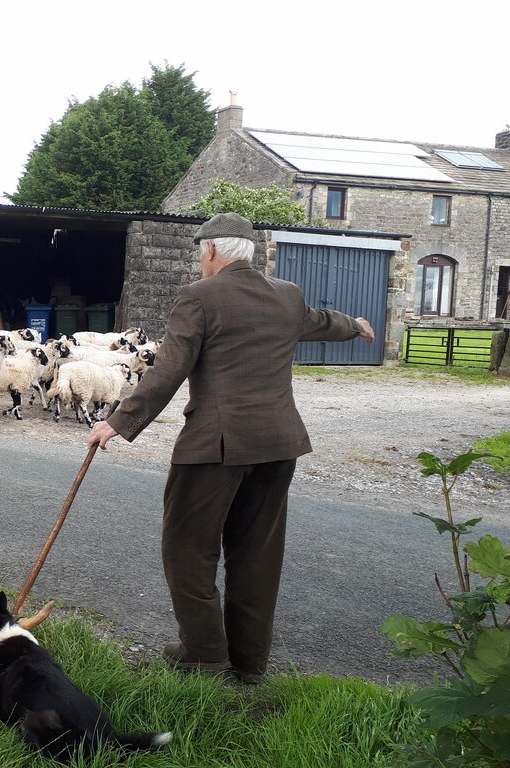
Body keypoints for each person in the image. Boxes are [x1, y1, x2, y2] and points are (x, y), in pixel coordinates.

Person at [86, 212, 374, 684]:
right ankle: (249, 663)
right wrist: (355, 325)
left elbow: (168, 369)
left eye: (200, 251)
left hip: (215, 448)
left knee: (187, 549)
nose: (200, 260)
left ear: (213, 251)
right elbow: (319, 322)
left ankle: (202, 654)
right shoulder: (286, 295)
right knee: (256, 554)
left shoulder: (198, 297)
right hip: (280, 445)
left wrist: (118, 422)